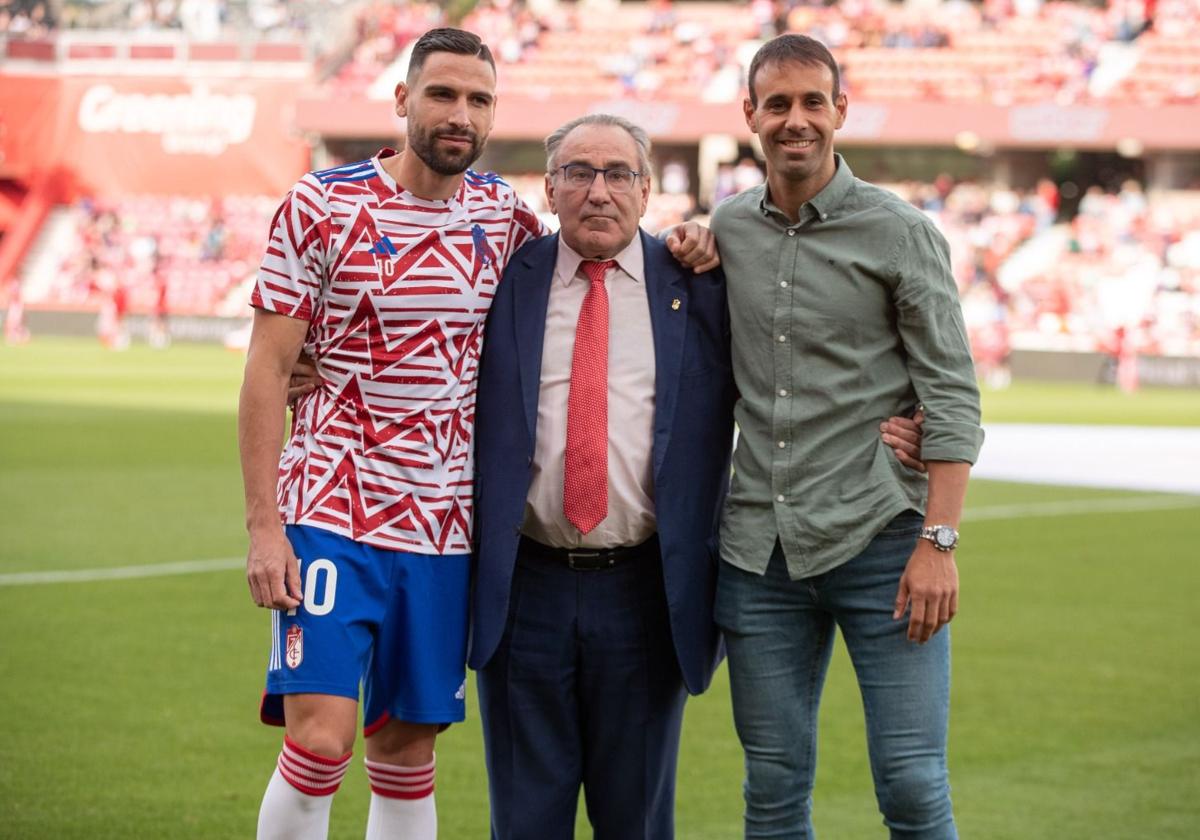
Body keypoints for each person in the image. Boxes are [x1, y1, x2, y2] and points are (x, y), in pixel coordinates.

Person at [241, 28, 716, 840]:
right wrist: (263, 527)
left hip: (442, 529)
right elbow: (263, 371)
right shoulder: (320, 204)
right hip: (329, 507)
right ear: (402, 100)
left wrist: (693, 234)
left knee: (405, 750)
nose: (460, 113)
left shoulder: (505, 223)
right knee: (321, 741)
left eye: (479, 100)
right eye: (443, 94)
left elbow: (595, 248)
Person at [468, 113, 929, 840]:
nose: (598, 191)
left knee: (639, 821)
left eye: (618, 173)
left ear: (648, 191)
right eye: (579, 173)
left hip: (645, 592)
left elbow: (803, 360)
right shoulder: (500, 282)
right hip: (525, 587)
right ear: (550, 189)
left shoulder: (701, 286)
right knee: (523, 822)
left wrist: (912, 412)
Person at [710, 34, 984, 839]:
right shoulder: (724, 231)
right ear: (751, 115)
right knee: (772, 789)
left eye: (812, 102)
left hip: (883, 545)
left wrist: (940, 540)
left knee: (910, 787)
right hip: (757, 553)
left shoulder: (900, 232)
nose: (796, 120)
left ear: (841, 111)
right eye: (779, 104)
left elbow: (952, 394)